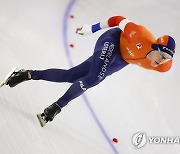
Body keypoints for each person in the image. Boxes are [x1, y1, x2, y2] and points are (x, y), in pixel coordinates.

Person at [4, 16, 176, 126]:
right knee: (95, 78)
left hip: (121, 60)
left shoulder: (163, 67)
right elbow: (117, 19)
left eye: (167, 59)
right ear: (155, 47)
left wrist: (164, 61)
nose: (162, 61)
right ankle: (56, 107)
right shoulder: (137, 34)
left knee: (70, 76)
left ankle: (26, 74)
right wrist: (91, 28)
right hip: (113, 41)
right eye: (161, 55)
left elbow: (162, 62)